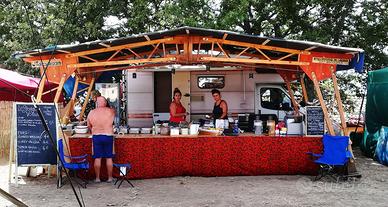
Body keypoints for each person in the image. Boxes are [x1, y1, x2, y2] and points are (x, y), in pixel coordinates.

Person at [87, 96, 115, 183]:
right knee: (109, 157)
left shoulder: (91, 112)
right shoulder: (111, 111)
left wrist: (94, 129)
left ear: (97, 103)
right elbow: (114, 119)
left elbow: (89, 125)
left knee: (97, 158)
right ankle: (110, 178)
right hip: (108, 135)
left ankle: (97, 178)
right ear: (105, 103)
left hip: (97, 136)